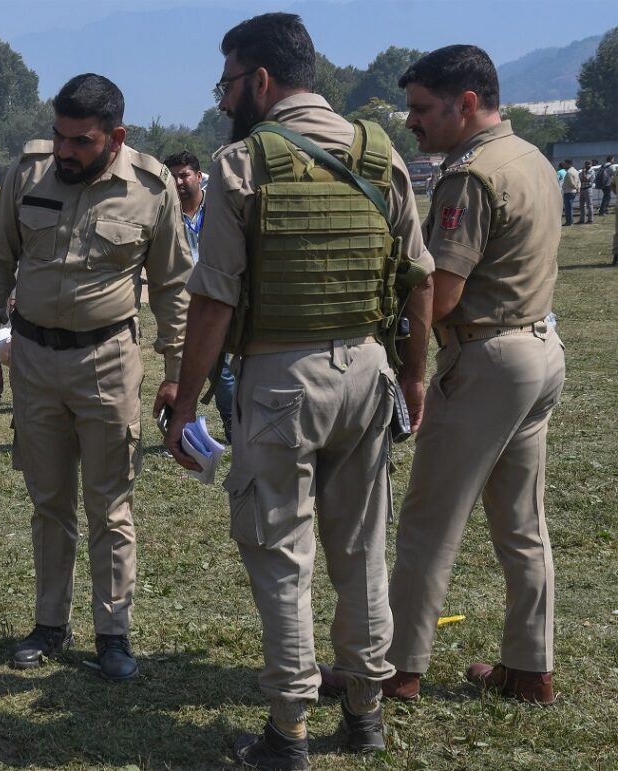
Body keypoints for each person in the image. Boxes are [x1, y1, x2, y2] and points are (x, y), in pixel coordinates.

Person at [163, 14, 432, 767]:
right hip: (369, 372)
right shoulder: (381, 154)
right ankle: (366, 712)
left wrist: (185, 403)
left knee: (281, 553)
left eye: (227, 83)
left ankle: (288, 729)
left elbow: (214, 298)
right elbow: (421, 275)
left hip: (283, 379)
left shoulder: (242, 163)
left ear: (261, 81)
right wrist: (413, 374)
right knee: (361, 549)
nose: (223, 100)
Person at [0, 73, 193, 682]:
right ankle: (49, 623)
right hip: (35, 363)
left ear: (116, 136)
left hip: (109, 363)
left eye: (81, 141)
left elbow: (175, 286)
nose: (65, 151)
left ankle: (113, 632)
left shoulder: (151, 188)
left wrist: (177, 371)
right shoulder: (29, 173)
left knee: (110, 504)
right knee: (49, 503)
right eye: (59, 137)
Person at [379, 44, 565, 707]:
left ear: (465, 104)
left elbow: (444, 294)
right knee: (523, 522)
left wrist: (410, 363)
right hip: (538, 346)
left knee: (429, 521)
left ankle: (398, 667)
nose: (411, 120)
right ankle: (530, 665)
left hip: (485, 358)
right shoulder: (533, 159)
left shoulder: (470, 175)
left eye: (422, 108)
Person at [163, 149, 235, 443]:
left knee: (220, 369)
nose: (179, 182)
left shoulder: (218, 210)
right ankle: (176, 431)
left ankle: (232, 424)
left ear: (198, 176)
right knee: (175, 367)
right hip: (179, 299)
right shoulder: (164, 213)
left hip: (212, 296)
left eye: (184, 175)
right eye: (172, 176)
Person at [560, 159, 579, 226]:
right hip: (572, 191)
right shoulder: (576, 171)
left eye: (565, 164)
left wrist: (575, 187)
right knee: (569, 207)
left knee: (568, 208)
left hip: (569, 191)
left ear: (569, 164)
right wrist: (578, 188)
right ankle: (570, 221)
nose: (564, 165)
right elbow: (579, 181)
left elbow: (571, 183)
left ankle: (569, 222)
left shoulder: (569, 172)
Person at [578, 160, 595, 224]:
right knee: (582, 205)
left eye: (588, 164)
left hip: (588, 189)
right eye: (586, 164)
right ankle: (582, 220)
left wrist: (582, 173)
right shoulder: (584, 172)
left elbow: (586, 179)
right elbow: (580, 179)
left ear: (591, 164)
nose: (587, 165)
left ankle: (590, 220)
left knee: (589, 205)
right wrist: (582, 174)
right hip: (582, 188)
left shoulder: (592, 171)